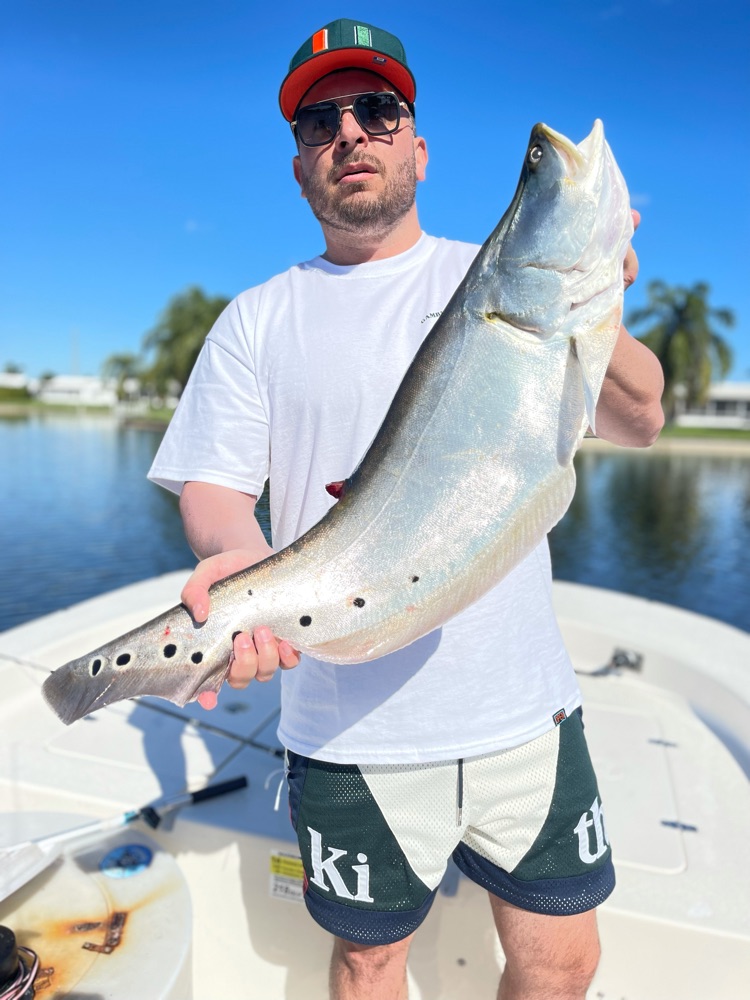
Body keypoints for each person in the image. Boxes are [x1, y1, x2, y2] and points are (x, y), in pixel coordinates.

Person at [148, 18, 664, 1000]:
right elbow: (216, 488)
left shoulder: (501, 279)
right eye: (320, 120)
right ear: (299, 164)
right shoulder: (258, 318)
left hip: (526, 706)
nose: (351, 132)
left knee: (564, 961)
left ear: (417, 146)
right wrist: (240, 567)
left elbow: (639, 419)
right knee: (369, 963)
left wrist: (600, 312)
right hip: (348, 729)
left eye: (377, 109)